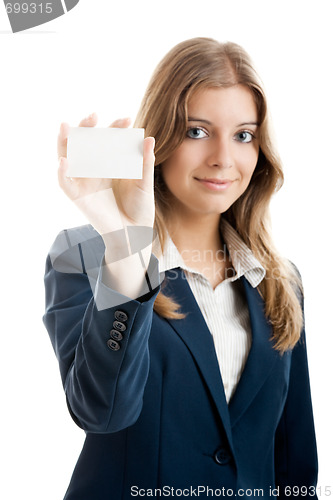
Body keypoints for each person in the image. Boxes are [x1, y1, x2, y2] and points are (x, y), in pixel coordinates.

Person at [43, 37, 318, 499]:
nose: (223, 159)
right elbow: (102, 411)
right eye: (197, 131)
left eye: (243, 135)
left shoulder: (279, 281)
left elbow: (294, 460)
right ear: (160, 140)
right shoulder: (82, 255)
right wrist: (125, 247)